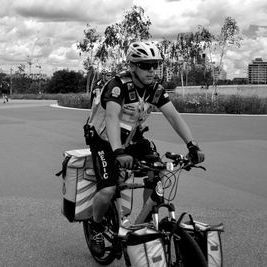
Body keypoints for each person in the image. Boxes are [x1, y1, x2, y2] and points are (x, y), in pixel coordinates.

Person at [84, 41, 205, 256]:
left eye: (155, 65)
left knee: (158, 169)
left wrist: (192, 145)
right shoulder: (117, 86)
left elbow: (173, 117)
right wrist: (118, 151)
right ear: (132, 66)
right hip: (104, 140)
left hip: (133, 138)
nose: (152, 70)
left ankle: (146, 218)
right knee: (108, 189)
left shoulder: (155, 90)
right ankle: (96, 227)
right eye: (146, 65)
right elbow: (112, 118)